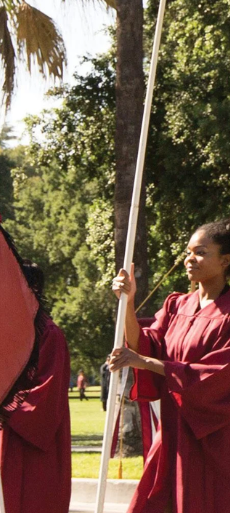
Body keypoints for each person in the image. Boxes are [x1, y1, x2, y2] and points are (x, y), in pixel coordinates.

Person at [109, 219, 230, 513]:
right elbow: (144, 343)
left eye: (201, 252)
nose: (190, 259)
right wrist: (128, 301)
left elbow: (218, 375)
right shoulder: (177, 305)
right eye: (188, 252)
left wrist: (145, 362)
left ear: (226, 260)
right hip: (173, 427)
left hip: (211, 434)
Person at [0, 261, 72, 513]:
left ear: (32, 289)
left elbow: (48, 392)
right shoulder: (2, 331)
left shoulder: (49, 335)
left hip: (30, 441)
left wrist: (0, 405)